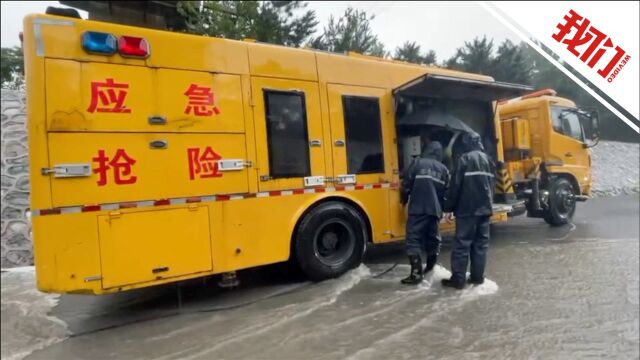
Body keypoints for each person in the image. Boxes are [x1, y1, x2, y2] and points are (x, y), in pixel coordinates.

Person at [442, 132, 496, 290]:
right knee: (480, 245)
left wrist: (448, 207)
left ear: (466, 143)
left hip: (467, 210)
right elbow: (491, 187)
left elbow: (456, 186)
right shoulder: (488, 160)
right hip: (484, 210)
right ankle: (478, 278)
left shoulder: (464, 159)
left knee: (462, 245)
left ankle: (458, 280)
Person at [400, 141, 450, 285]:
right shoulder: (444, 169)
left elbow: (406, 185)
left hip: (418, 208)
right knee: (433, 238)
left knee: (413, 239)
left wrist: (403, 200)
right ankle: (430, 267)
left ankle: (416, 274)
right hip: (435, 211)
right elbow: (446, 192)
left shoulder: (417, 163)